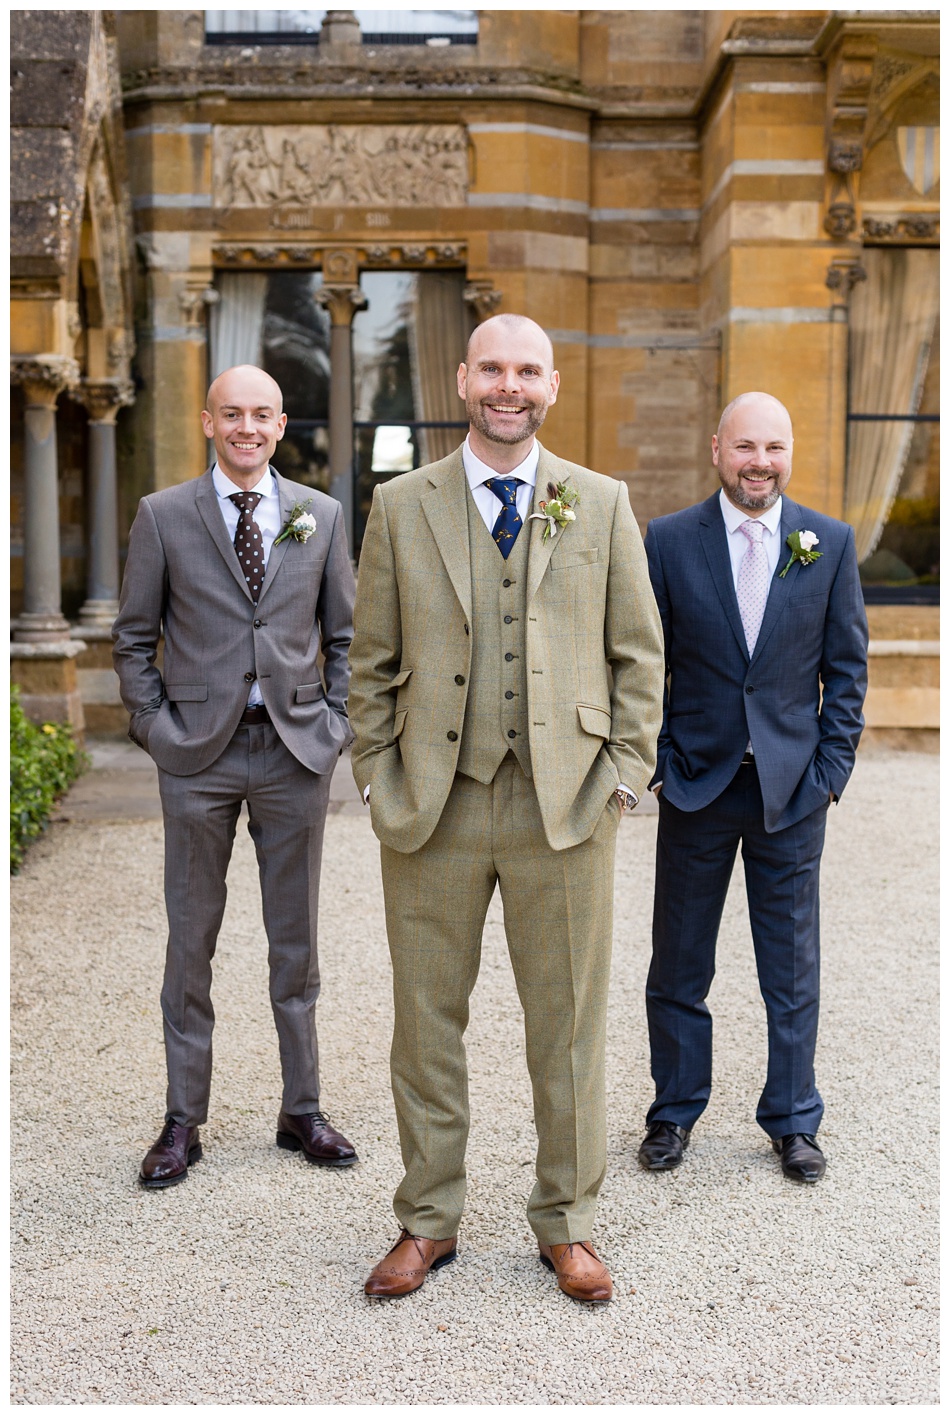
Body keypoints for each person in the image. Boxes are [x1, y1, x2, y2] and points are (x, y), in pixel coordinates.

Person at [348, 314, 665, 1302]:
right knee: (423, 1023)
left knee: (564, 1026)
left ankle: (564, 1221)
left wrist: (621, 771)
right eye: (492, 366)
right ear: (462, 375)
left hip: (565, 802)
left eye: (527, 369)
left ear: (551, 384)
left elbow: (637, 656)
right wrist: (373, 771)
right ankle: (426, 1218)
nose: (508, 385)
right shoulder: (400, 504)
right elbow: (370, 660)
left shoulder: (600, 502)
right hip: (430, 806)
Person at [113, 364, 358, 1187]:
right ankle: (183, 1120)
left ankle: (303, 1108)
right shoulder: (163, 516)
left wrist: (335, 726)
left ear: (282, 425)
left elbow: (349, 638)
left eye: (262, 415)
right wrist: (156, 728)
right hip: (198, 757)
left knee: (296, 944)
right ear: (209, 423)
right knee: (192, 941)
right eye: (232, 414)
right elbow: (133, 638)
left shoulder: (319, 516)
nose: (247, 427)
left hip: (294, 753)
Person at [638, 391, 868, 1183]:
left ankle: (795, 1119)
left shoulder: (828, 543)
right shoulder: (667, 541)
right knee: (678, 966)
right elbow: (641, 661)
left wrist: (829, 775)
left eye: (773, 448)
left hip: (790, 794)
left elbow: (846, 670)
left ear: (789, 453)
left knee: (791, 968)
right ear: (716, 449)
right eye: (745, 447)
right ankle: (672, 1113)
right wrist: (661, 758)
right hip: (697, 785)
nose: (759, 462)